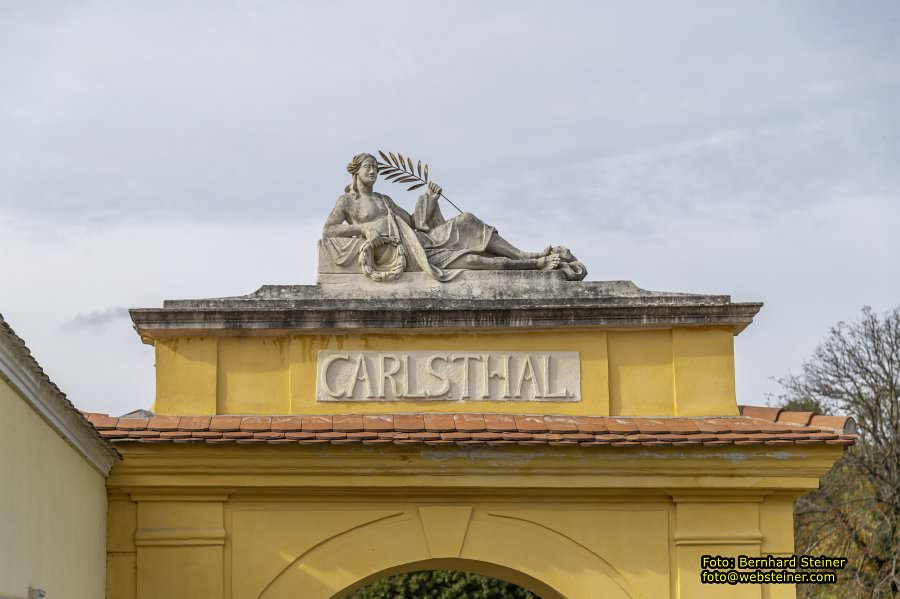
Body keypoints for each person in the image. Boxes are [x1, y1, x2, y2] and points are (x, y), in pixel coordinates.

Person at [322, 153, 583, 281]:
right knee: (472, 260)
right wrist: (364, 229)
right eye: (368, 167)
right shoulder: (347, 201)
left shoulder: (384, 200)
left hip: (419, 240)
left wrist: (430, 200)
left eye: (376, 168)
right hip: (402, 251)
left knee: (467, 220)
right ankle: (533, 265)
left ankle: (522, 255)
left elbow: (413, 222)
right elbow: (330, 230)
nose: (373, 171)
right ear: (356, 171)